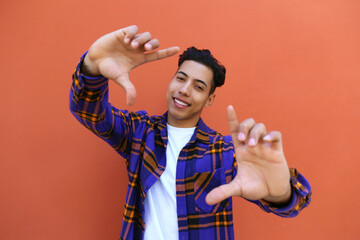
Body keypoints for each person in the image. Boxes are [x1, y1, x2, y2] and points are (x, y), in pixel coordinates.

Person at [69, 25, 311, 240]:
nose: (184, 90)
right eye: (180, 78)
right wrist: (92, 67)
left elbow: (293, 204)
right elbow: (88, 111)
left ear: (209, 99)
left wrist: (281, 193)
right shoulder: (139, 133)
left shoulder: (225, 151)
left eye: (198, 86)